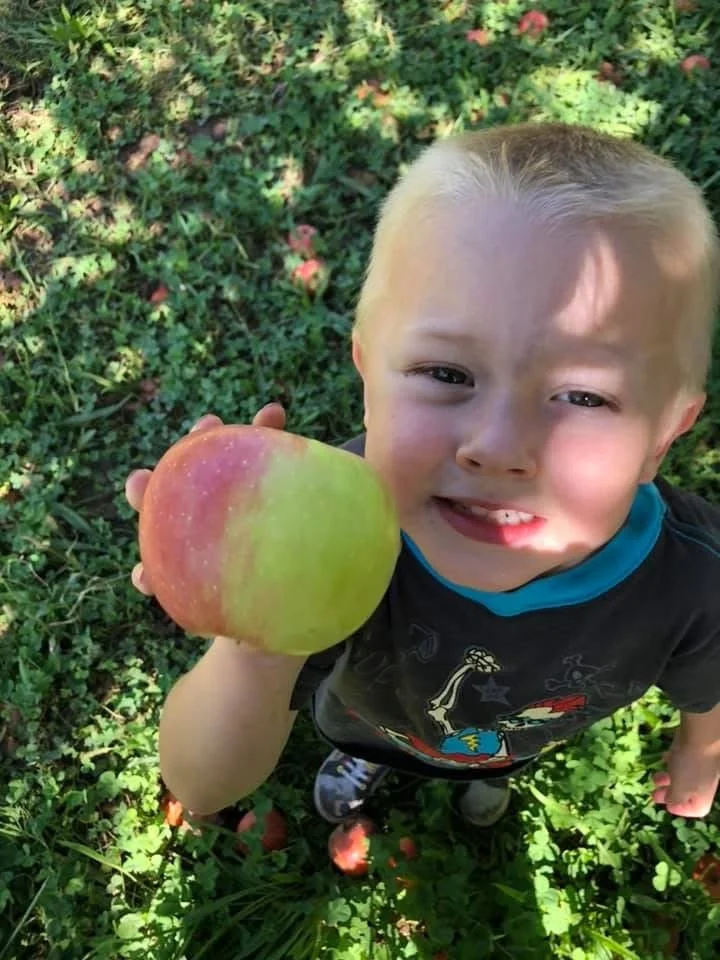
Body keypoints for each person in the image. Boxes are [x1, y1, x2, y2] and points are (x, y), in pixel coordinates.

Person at [125, 123, 720, 828]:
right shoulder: (322, 542)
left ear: (665, 434)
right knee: (371, 736)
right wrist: (257, 645)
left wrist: (703, 752)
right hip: (370, 718)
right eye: (446, 373)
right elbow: (202, 783)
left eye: (585, 396)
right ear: (367, 375)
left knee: (502, 750)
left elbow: (709, 684)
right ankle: (368, 759)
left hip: (518, 734)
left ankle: (494, 775)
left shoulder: (693, 577)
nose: (497, 448)